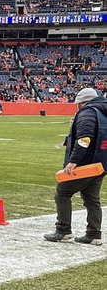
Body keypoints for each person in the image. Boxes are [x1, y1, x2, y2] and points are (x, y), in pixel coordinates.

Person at [44, 87, 105, 246]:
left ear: (81, 102)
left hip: (86, 163)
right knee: (92, 198)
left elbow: (85, 139)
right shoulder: (102, 111)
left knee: (63, 192)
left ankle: (63, 230)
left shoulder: (87, 113)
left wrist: (73, 161)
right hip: (101, 163)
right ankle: (94, 234)